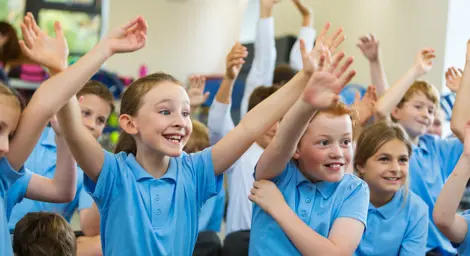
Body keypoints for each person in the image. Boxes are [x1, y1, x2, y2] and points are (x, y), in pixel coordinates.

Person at [354, 121, 428, 255]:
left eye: (403, 160)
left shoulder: (417, 210)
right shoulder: (341, 199)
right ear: (360, 165)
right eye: (384, 159)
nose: (395, 169)